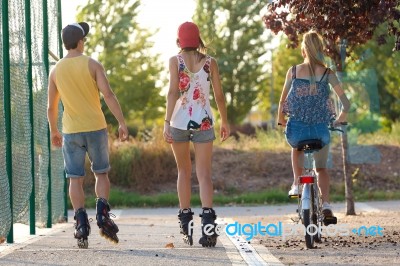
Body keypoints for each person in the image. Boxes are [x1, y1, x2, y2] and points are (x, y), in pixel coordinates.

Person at [47, 22, 129, 248]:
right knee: (101, 174)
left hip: (71, 131)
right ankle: (102, 212)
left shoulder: (56, 71)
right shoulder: (93, 64)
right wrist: (121, 122)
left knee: (75, 178)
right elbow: (109, 95)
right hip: (96, 127)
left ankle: (81, 224)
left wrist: (54, 130)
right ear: (80, 42)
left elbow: (51, 107)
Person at [163, 22, 230, 247]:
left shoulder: (175, 61)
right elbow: (219, 95)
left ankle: (185, 223)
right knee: (204, 175)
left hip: (179, 123)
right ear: (198, 39)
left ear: (179, 40)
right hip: (204, 122)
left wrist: (166, 122)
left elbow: (173, 91)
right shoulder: (210, 63)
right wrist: (224, 121)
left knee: (183, 171)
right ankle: (209, 226)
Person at [277, 30, 350, 219]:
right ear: (320, 50)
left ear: (303, 51)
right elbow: (346, 103)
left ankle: (295, 182)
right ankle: (326, 205)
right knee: (321, 169)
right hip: (320, 132)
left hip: (296, 131)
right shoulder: (328, 73)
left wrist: (281, 119)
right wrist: (340, 118)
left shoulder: (292, 71)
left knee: (296, 147)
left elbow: (282, 101)